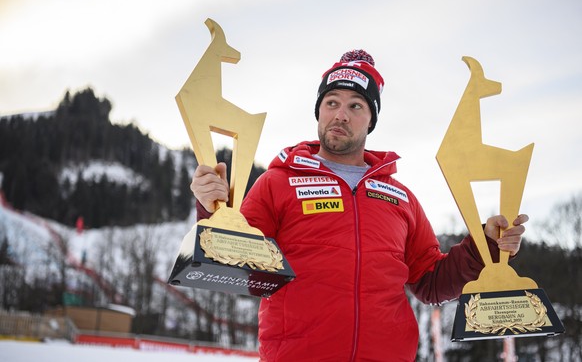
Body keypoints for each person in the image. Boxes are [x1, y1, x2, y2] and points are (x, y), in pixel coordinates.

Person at [191, 50, 528, 361]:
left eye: (356, 106)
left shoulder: (401, 197)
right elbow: (242, 271)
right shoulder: (278, 183)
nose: (341, 114)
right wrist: (212, 209)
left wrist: (485, 245)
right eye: (332, 102)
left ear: (370, 120)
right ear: (319, 111)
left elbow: (431, 284)